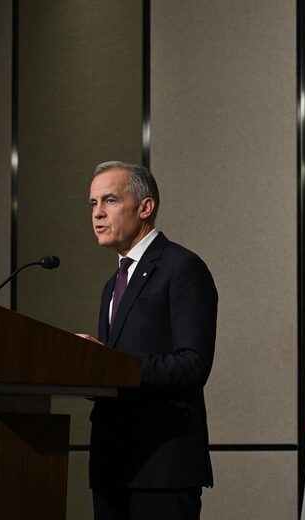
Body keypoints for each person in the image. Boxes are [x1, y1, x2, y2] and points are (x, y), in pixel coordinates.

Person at [78, 161, 218, 520]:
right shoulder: (112, 285)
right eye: (93, 204)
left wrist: (110, 364)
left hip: (161, 466)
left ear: (145, 207)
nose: (97, 214)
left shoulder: (182, 268)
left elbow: (193, 365)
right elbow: (114, 377)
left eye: (109, 201)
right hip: (112, 467)